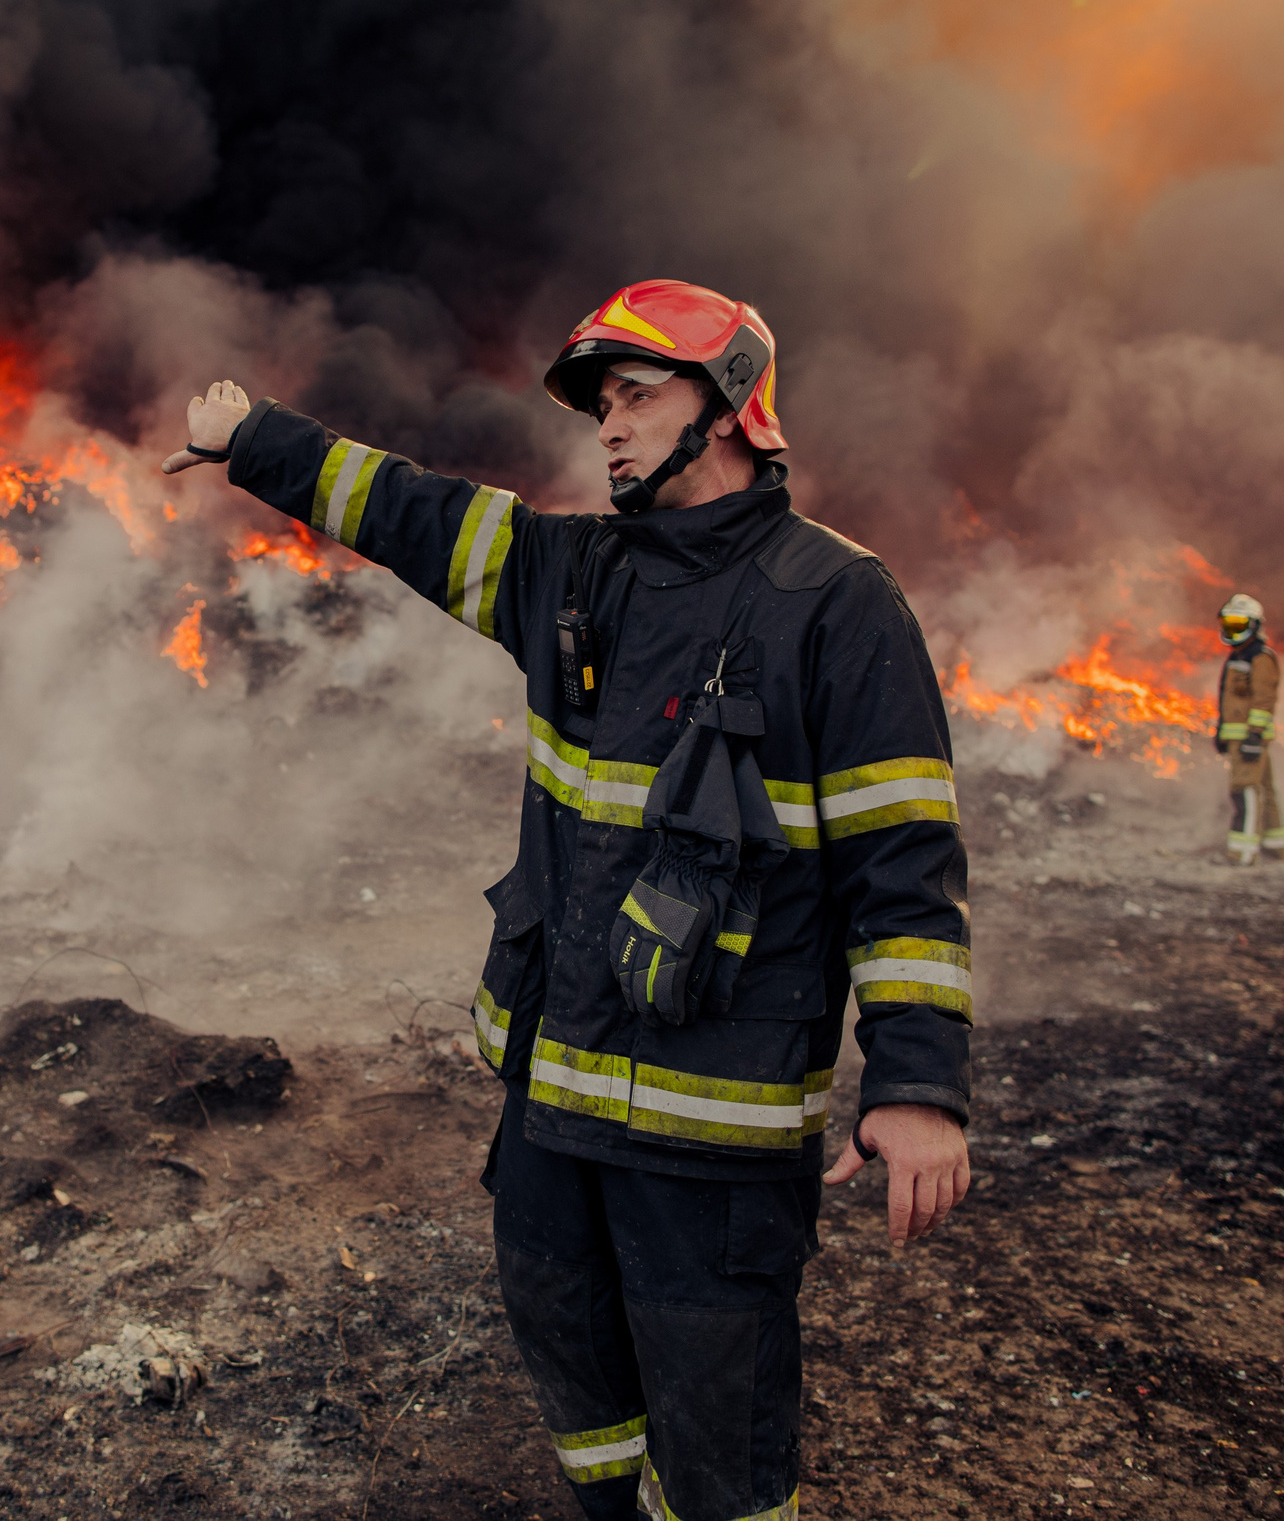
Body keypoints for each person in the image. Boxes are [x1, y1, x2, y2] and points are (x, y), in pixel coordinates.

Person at [164, 280, 973, 1521]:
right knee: (571, 1367)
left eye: (638, 395)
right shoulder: (573, 574)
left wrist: (916, 1088)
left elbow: (902, 863)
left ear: (735, 408)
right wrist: (255, 441)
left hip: (714, 1134)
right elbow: (417, 514)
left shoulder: (836, 603)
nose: (609, 425)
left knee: (718, 1444)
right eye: (601, 403)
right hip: (554, 1100)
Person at [1214, 593, 1284, 863]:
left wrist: (1254, 736)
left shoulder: (1260, 658)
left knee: (1244, 789)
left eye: (1239, 625)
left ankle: (1242, 853)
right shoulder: (1239, 656)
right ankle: (1274, 845)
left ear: (1254, 626)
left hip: (1249, 738)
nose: (1232, 631)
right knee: (1264, 788)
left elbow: (1263, 700)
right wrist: (1222, 731)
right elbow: (1230, 700)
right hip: (1239, 737)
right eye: (1229, 624)